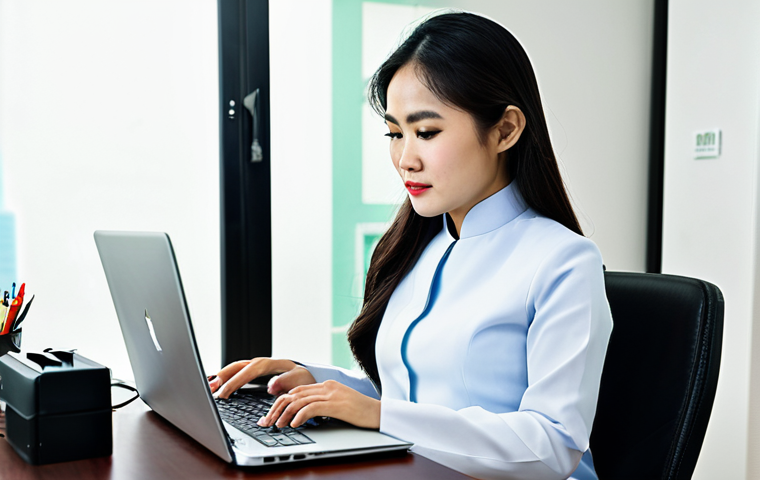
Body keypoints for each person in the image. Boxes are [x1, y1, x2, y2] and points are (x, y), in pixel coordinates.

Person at [209, 11, 613, 480]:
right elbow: (420, 406)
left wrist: (377, 416)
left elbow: (551, 446)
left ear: (505, 130)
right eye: (395, 133)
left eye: (426, 132)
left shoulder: (562, 261)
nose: (405, 158)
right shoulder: (421, 245)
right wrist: (319, 383)